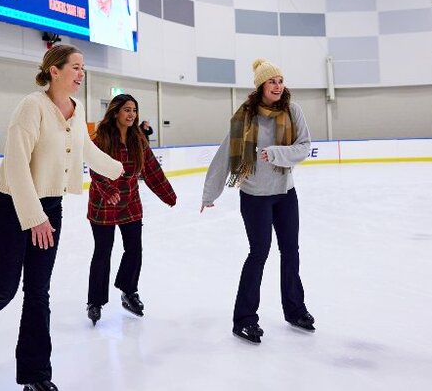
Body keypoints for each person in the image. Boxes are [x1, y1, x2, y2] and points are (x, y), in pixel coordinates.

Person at [0, 45, 123, 391]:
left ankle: (35, 375)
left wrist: (120, 171)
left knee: (38, 292)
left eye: (83, 68)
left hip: (51, 207)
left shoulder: (77, 109)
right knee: (4, 288)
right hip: (11, 207)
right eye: (75, 67)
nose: (81, 73)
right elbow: (15, 166)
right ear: (54, 71)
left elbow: (86, 150)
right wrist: (35, 218)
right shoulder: (32, 107)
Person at [201, 58, 315, 345]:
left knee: (291, 251)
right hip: (254, 197)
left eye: (280, 80)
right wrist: (210, 193)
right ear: (260, 86)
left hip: (285, 193)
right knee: (259, 253)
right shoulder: (245, 117)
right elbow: (226, 154)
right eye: (271, 81)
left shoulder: (292, 111)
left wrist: (277, 154)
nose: (278, 86)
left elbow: (304, 147)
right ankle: (244, 320)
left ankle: (295, 310)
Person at [86, 94, 177, 325]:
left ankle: (129, 291)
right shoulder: (102, 138)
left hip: (130, 203)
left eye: (134, 110)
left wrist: (168, 195)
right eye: (127, 110)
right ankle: (95, 301)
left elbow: (151, 170)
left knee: (134, 248)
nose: (131, 115)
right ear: (116, 112)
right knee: (103, 252)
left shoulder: (138, 139)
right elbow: (95, 169)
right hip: (104, 203)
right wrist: (107, 190)